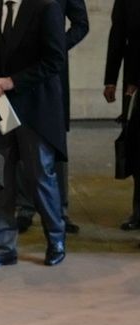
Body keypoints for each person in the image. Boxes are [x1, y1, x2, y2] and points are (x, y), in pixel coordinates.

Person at [0, 0, 68, 268]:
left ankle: (56, 238)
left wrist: (13, 81)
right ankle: (4, 247)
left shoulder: (45, 7)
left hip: (36, 111)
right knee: (1, 177)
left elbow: (55, 60)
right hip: (1, 110)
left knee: (40, 175)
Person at [14, 0, 88, 236]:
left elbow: (81, 24)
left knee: (54, 139)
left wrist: (55, 44)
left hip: (52, 73)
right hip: (16, 70)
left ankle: (59, 210)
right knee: (16, 137)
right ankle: (24, 208)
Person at [104, 0, 140, 235]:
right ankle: (138, 212)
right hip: (133, 84)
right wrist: (111, 79)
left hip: (135, 81)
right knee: (136, 148)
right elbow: (117, 36)